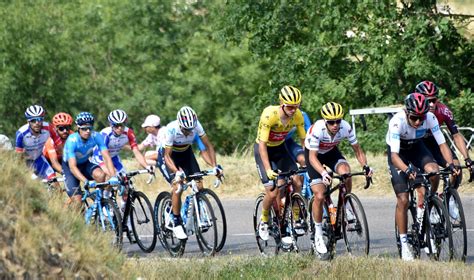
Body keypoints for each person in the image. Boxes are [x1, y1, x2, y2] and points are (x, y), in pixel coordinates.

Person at [386, 93, 459, 261]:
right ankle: (404, 243)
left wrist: (450, 164)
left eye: (421, 118)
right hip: (399, 154)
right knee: (403, 199)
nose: (418, 122)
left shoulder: (430, 117)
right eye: (414, 118)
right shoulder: (397, 121)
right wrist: (407, 170)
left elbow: (442, 144)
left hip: (417, 147)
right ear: (407, 112)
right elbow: (395, 157)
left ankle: (429, 204)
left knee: (434, 171)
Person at [305, 102, 373, 255]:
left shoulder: (346, 127)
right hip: (314, 156)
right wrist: (323, 173)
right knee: (320, 195)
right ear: (325, 121)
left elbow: (358, 150)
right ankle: (318, 233)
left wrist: (366, 166)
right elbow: (312, 157)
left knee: (346, 172)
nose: (335, 125)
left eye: (338, 121)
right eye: (331, 122)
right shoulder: (318, 129)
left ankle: (346, 205)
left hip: (330, 152)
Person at [157, 106, 222, 240]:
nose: (188, 132)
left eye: (190, 129)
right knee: (177, 186)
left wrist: (215, 166)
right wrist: (176, 172)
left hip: (186, 153)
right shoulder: (171, 129)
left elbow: (206, 148)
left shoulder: (196, 126)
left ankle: (199, 213)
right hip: (168, 156)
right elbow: (167, 156)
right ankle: (175, 221)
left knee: (198, 183)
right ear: (180, 125)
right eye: (185, 129)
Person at [255, 85, 306, 243]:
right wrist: (269, 169)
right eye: (290, 107)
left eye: (296, 106)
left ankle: (296, 217)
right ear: (282, 104)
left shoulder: (297, 116)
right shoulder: (269, 114)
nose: (293, 110)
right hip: (263, 151)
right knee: (272, 191)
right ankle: (263, 221)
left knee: (298, 179)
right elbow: (262, 145)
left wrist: (308, 162)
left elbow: (304, 140)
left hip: (280, 149)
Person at [415, 81, 473, 184]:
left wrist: (467, 158)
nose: (432, 104)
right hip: (417, 142)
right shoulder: (413, 112)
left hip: (434, 142)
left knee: (456, 169)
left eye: (434, 100)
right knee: (431, 171)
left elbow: (456, 135)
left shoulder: (443, 111)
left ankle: (447, 196)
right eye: (428, 101)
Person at [62, 112, 119, 205]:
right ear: (78, 128)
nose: (88, 131)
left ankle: (102, 204)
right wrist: (86, 181)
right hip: (70, 168)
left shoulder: (96, 136)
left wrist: (113, 176)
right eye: (84, 129)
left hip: (85, 163)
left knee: (101, 176)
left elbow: (107, 157)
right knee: (78, 202)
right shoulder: (72, 141)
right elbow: (72, 167)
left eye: (90, 128)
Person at [15, 105, 60, 180]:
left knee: (54, 181)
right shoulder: (21, 134)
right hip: (26, 163)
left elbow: (60, 147)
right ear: (28, 121)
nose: (37, 123)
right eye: (33, 120)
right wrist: (26, 172)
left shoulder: (49, 128)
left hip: (39, 160)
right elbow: (19, 158)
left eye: (39, 119)